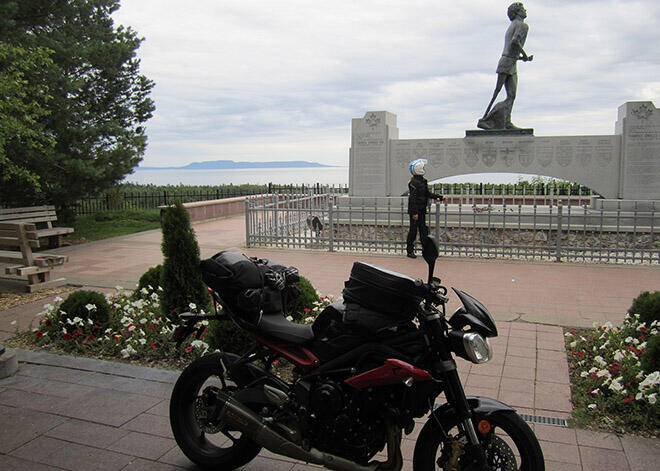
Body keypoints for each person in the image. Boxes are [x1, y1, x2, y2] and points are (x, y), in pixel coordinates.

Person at [478, 2, 533, 130]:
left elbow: (511, 49)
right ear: (517, 12)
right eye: (522, 9)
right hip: (507, 62)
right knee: (498, 93)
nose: (525, 11)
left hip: (510, 61)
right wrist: (524, 55)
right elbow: (515, 41)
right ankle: (487, 119)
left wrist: (521, 58)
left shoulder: (512, 25)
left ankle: (506, 122)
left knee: (511, 95)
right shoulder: (522, 25)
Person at [406, 159, 442, 258]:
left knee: (423, 231)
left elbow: (427, 193)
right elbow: (412, 198)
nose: (424, 169)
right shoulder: (414, 182)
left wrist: (439, 197)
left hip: (421, 209)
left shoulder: (422, 181)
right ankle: (410, 251)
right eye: (423, 167)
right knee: (413, 231)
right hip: (416, 210)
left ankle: (426, 250)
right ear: (419, 169)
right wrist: (414, 213)